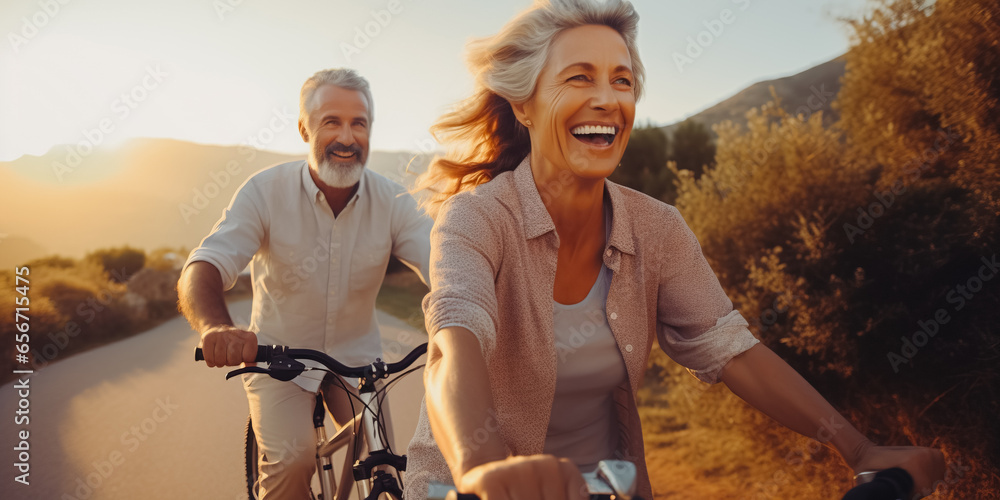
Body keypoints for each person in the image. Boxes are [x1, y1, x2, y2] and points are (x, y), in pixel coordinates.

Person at [403, 1, 946, 499]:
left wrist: (859, 451)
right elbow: (455, 339)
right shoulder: (477, 217)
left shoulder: (657, 229)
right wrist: (481, 469)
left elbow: (732, 348)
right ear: (525, 105)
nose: (607, 99)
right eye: (578, 77)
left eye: (622, 80)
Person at [177, 68, 432, 499]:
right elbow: (204, 265)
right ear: (304, 128)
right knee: (292, 460)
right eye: (332, 121)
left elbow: (444, 265)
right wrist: (215, 327)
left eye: (359, 123)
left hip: (359, 363)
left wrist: (472, 314)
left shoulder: (394, 202)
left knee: (382, 458)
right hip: (279, 361)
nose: (347, 137)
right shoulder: (264, 191)